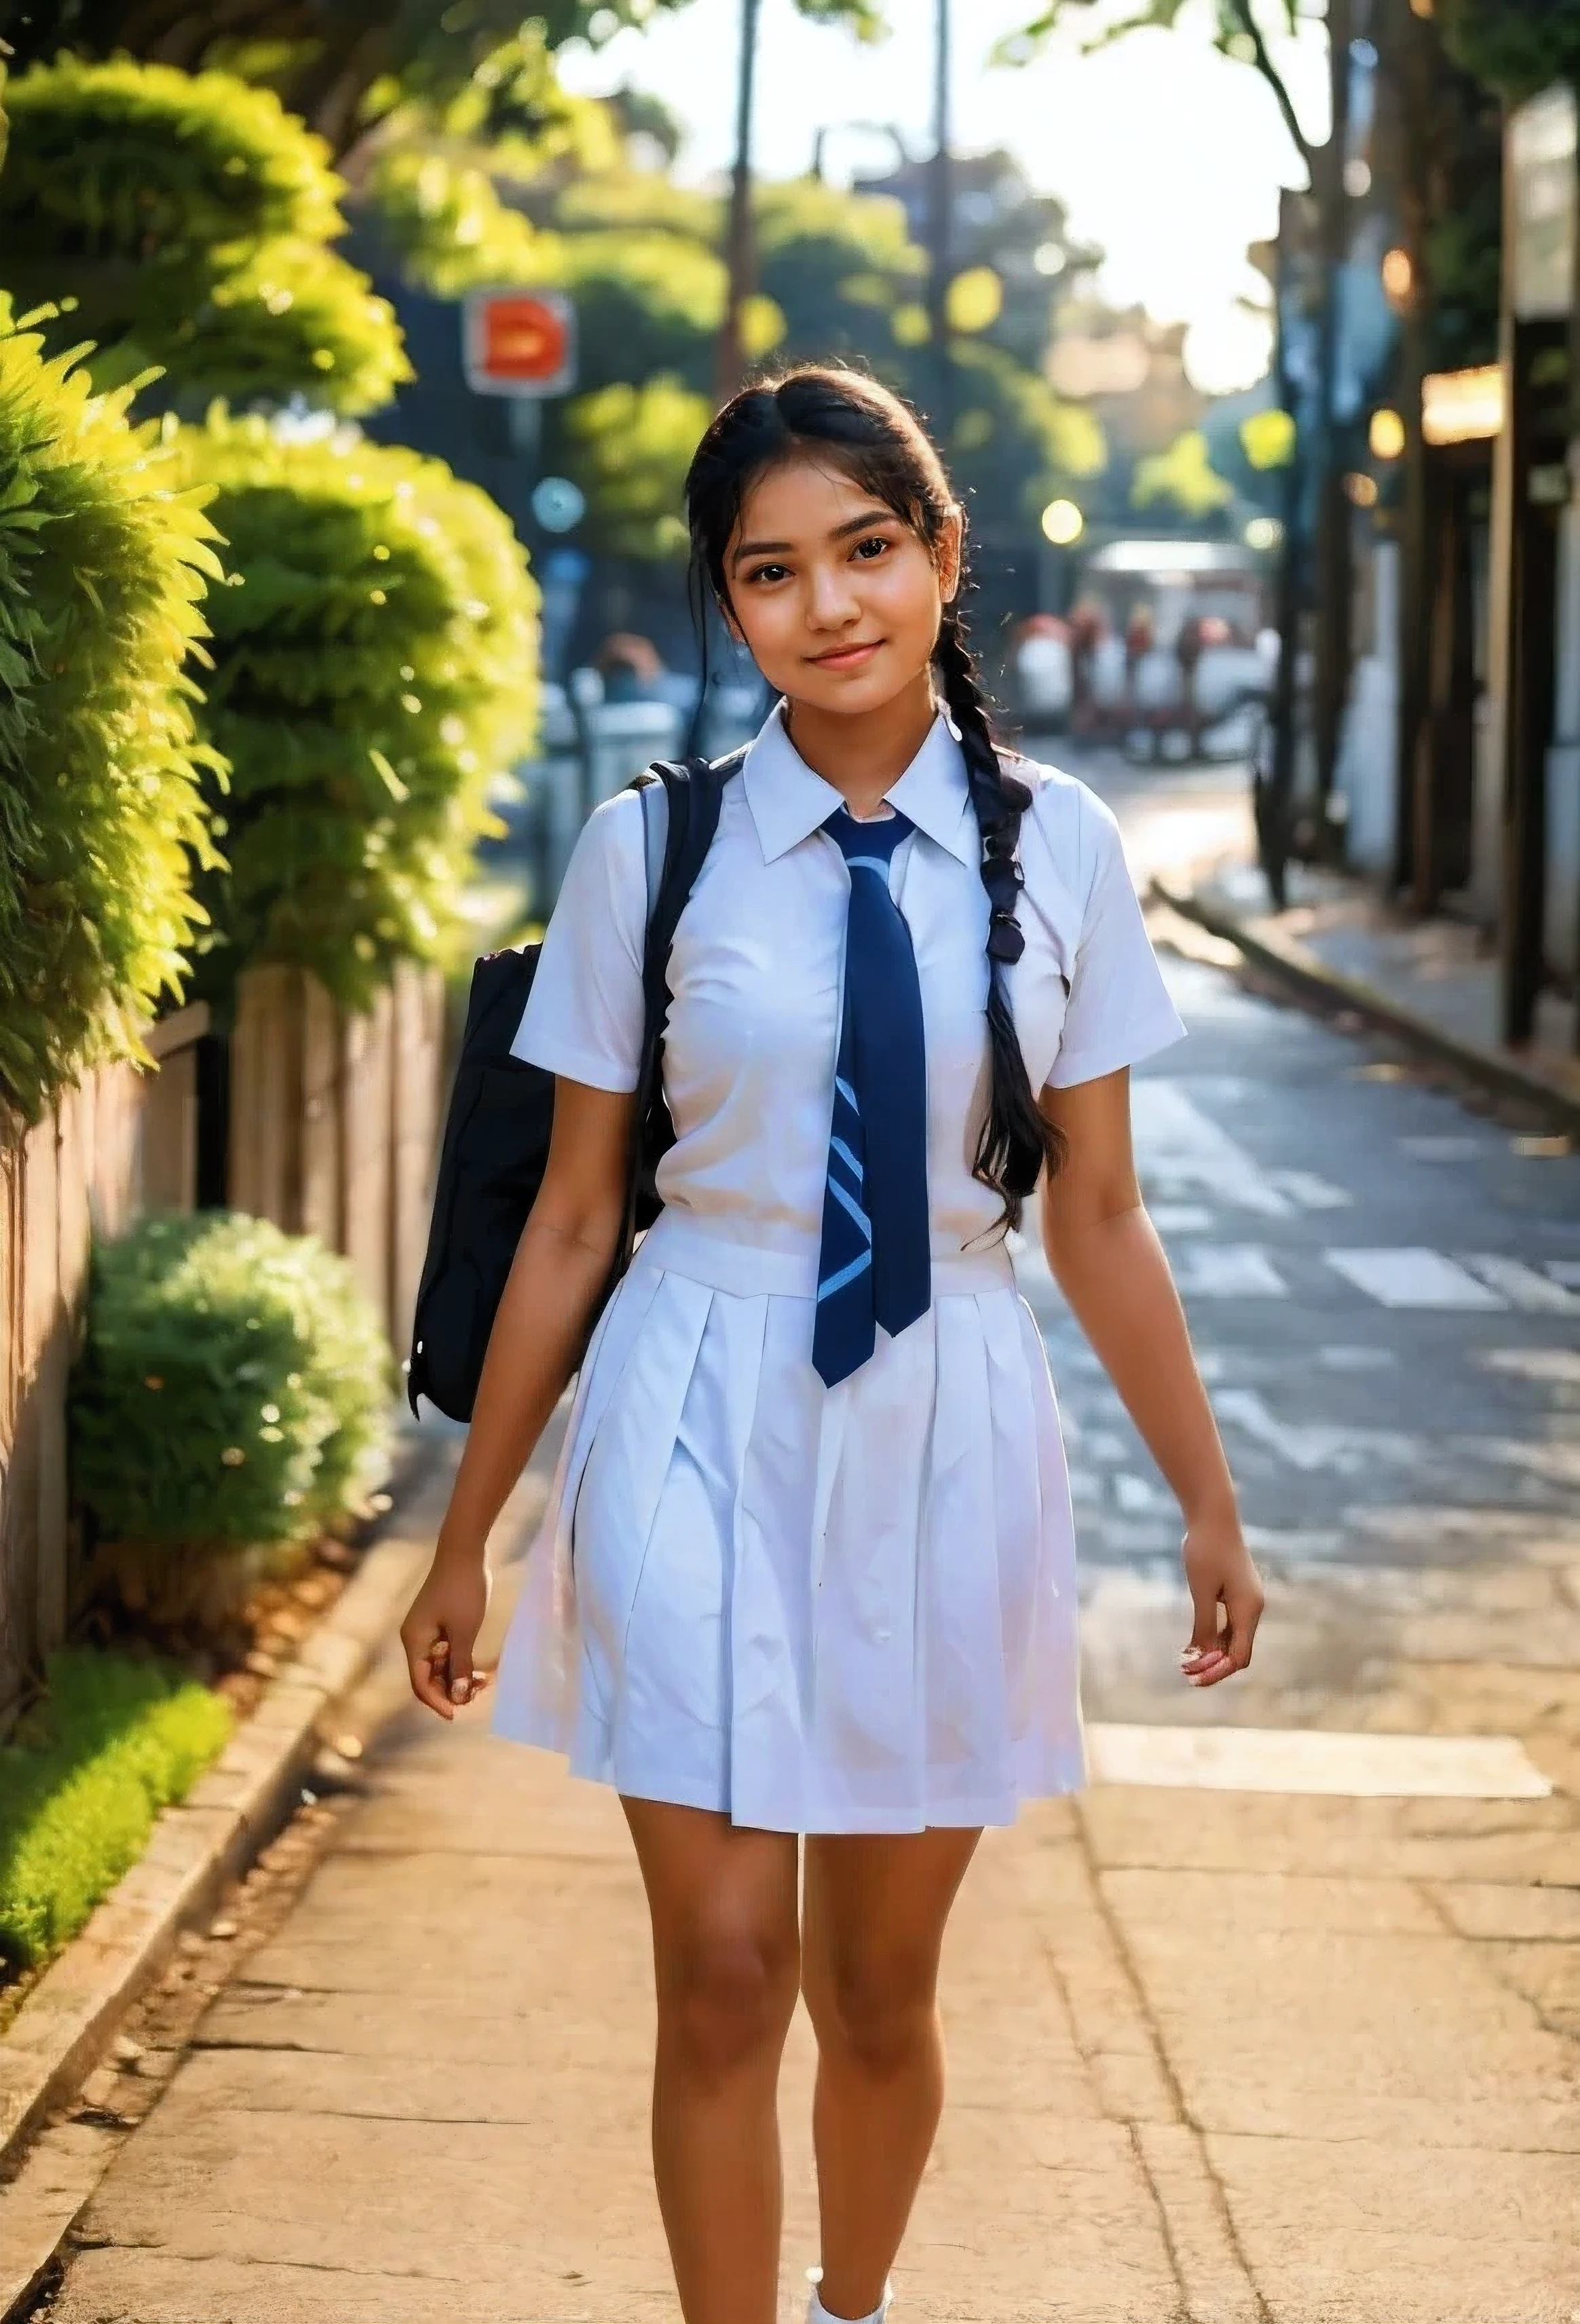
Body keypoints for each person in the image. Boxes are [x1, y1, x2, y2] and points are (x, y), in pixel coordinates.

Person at [400, 365, 1264, 2324]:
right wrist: (471, 1535)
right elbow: (569, 1217)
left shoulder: (1063, 851)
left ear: (944, 558)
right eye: (773, 572)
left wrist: (1209, 1501)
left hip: (948, 1416)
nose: (831, 606)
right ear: (732, 606)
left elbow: (1103, 1219)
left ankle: (851, 2311)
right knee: (721, 1971)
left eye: (868, 551)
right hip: (692, 1399)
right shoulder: (657, 851)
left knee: (881, 1993)